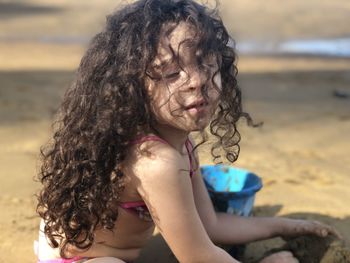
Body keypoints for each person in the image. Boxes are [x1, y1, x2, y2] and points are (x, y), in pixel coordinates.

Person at [35, 0, 340, 262]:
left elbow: (211, 226)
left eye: (207, 64)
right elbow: (198, 256)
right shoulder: (155, 160)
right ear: (134, 88)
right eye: (171, 73)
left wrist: (288, 226)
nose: (197, 81)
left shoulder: (182, 144)